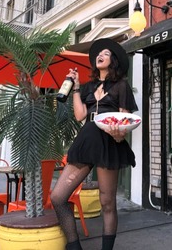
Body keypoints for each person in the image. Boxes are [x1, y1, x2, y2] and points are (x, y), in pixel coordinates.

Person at [50, 38, 137, 250]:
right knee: (58, 197)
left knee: (107, 202)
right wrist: (77, 88)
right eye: (99, 54)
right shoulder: (89, 86)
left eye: (106, 54)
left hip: (109, 142)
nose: (101, 55)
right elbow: (80, 115)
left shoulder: (121, 86)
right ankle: (74, 246)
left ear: (113, 61)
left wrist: (119, 135)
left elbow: (124, 119)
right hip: (86, 140)